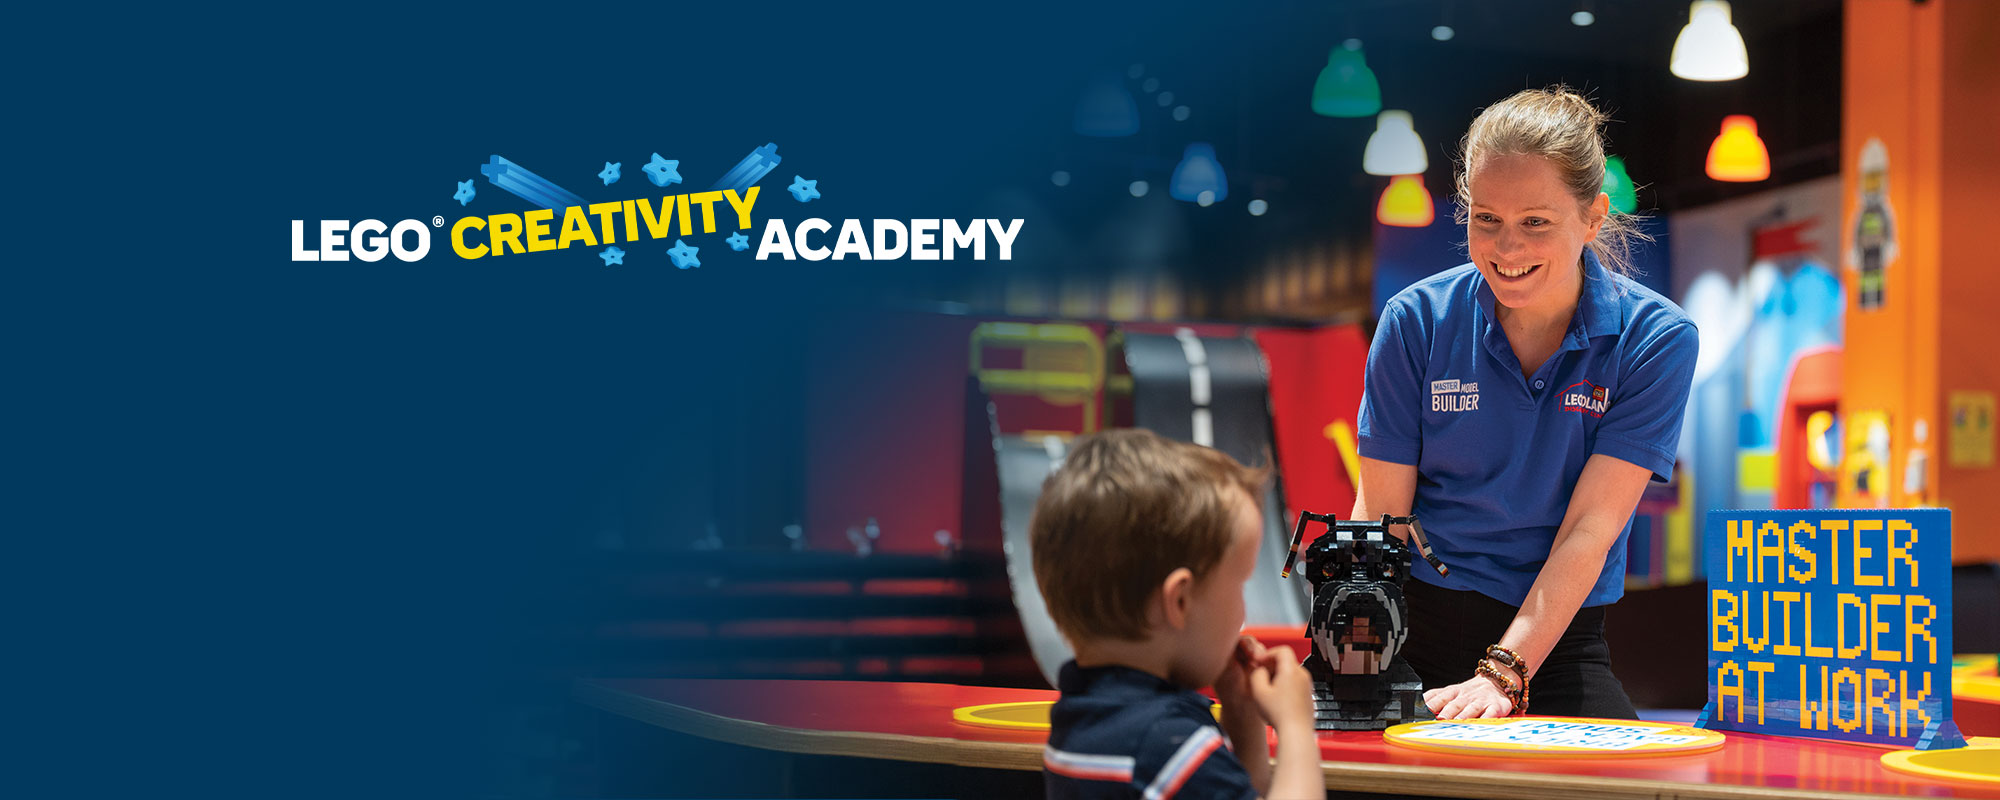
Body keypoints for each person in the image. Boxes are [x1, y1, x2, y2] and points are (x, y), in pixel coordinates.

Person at [1353, 88, 1698, 720]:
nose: (1506, 250)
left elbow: (1591, 530)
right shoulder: (1414, 321)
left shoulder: (1657, 339)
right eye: (1486, 219)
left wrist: (1503, 673)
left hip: (1556, 641)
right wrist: (1358, 642)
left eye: (1535, 222)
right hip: (1414, 624)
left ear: (1593, 218)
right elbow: (1380, 515)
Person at [1031, 429, 1325, 800]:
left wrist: (1241, 717)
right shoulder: (1169, 750)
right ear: (1180, 602)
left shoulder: (1082, 717)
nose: (1243, 609)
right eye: (1240, 585)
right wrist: (1297, 726)